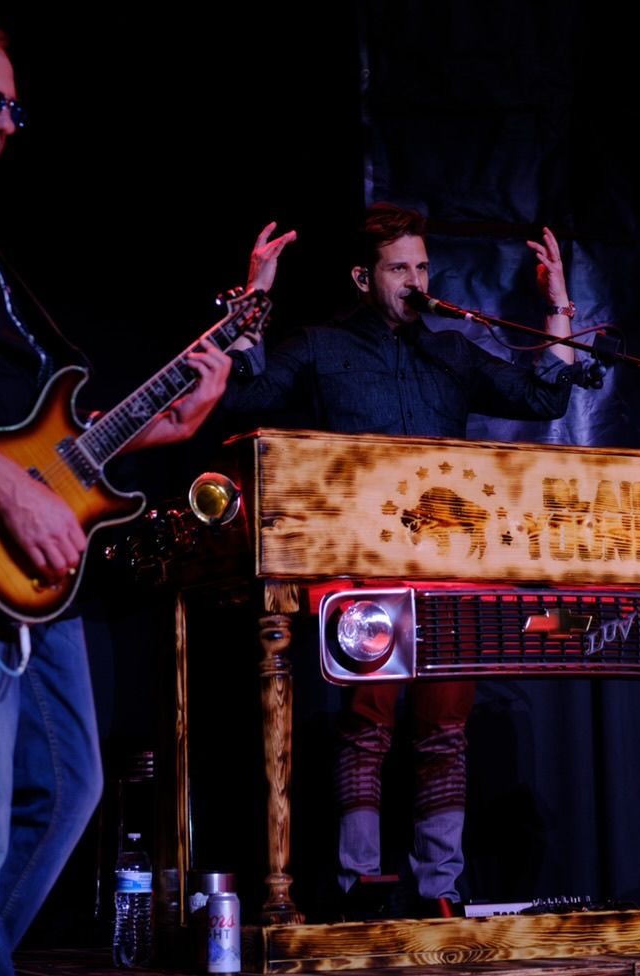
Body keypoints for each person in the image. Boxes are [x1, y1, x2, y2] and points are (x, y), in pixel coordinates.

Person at [225, 202, 580, 917]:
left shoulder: (450, 351)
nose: (416, 280)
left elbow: (544, 396)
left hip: (448, 570)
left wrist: (558, 307)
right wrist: (255, 300)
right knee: (367, 727)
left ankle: (439, 886)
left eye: (422, 267)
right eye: (399, 268)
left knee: (445, 733)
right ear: (364, 277)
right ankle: (358, 881)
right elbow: (244, 394)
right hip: (362, 567)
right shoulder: (322, 345)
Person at [0, 30, 233, 976]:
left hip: (36, 570)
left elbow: (45, 434)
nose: (12, 124)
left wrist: (157, 431)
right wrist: (9, 493)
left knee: (68, 792)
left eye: (16, 106)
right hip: (10, 531)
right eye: (0, 101)